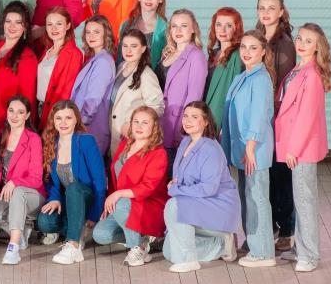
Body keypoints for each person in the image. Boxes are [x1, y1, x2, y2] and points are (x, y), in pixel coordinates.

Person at [275, 23, 331, 272]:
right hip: (292, 143)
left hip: (301, 148)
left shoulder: (312, 75)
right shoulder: (298, 69)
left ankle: (309, 256)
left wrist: (294, 149)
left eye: (309, 41)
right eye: (300, 38)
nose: (301, 44)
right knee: (300, 199)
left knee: (304, 199)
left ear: (318, 47)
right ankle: (301, 249)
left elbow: (307, 117)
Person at [163, 101, 240, 273]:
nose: (187, 120)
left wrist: (176, 189)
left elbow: (208, 189)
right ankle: (222, 245)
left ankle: (188, 260)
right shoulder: (185, 142)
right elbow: (179, 178)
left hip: (218, 205)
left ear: (205, 122)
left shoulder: (211, 149)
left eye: (194, 117)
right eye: (185, 116)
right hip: (196, 202)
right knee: (169, 250)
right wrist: (175, 184)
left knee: (174, 205)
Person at [222, 30, 276, 268]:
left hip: (254, 150)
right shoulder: (242, 77)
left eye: (253, 48)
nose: (247, 52)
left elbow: (258, 116)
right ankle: (253, 244)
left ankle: (263, 253)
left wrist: (251, 147)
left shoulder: (261, 79)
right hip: (243, 149)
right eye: (243, 47)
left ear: (263, 52)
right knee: (248, 197)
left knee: (257, 199)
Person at [93, 106, 168, 267]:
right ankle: (144, 237)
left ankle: (137, 248)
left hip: (149, 204)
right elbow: (115, 178)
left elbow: (148, 187)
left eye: (145, 122)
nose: (139, 126)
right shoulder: (125, 144)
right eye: (136, 122)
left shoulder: (158, 153)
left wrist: (117, 195)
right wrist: (110, 201)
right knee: (100, 235)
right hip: (123, 203)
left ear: (154, 126)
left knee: (121, 205)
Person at [37, 101, 106, 264]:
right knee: (45, 221)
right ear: (53, 121)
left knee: (74, 188)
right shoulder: (51, 143)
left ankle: (73, 246)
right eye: (58, 118)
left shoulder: (86, 141)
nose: (63, 122)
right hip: (66, 201)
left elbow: (100, 181)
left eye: (68, 118)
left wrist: (94, 214)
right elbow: (49, 180)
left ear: (76, 120)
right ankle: (78, 230)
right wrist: (54, 198)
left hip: (86, 198)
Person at [256, 0, 296, 251]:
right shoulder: (257, 38)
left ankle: (288, 229)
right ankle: (268, 227)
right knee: (266, 176)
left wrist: (268, 114)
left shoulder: (285, 43)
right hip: (261, 116)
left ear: (281, 12)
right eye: (262, 8)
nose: (266, 12)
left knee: (281, 176)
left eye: (272, 8)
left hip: (276, 118)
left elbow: (282, 86)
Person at [0, 96, 46, 265]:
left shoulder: (33, 139)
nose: (15, 116)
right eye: (11, 111)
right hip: (6, 196)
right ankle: (22, 232)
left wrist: (14, 182)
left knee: (18, 192)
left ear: (27, 115)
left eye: (20, 112)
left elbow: (36, 179)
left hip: (32, 195)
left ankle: (13, 248)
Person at [158, 9, 208, 167]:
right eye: (174, 26)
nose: (178, 30)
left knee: (173, 173)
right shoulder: (167, 54)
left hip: (177, 126)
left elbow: (194, 97)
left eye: (184, 26)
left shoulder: (196, 56)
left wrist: (182, 130)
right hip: (160, 124)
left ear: (193, 29)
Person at [110, 29, 165, 157]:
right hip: (112, 133)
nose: (128, 50)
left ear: (143, 48)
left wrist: (132, 122)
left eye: (134, 46)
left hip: (130, 137)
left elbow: (158, 107)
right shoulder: (121, 67)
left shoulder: (147, 75)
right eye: (125, 46)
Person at [0, 1, 38, 131]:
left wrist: (21, 128)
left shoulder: (28, 56)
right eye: (8, 21)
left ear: (25, 27)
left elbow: (27, 97)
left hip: (6, 119)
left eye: (18, 22)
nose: (12, 26)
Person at [71, 15, 116, 156]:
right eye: (88, 32)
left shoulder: (103, 62)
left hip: (90, 128)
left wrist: (78, 126)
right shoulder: (95, 58)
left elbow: (93, 100)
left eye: (96, 32)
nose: (91, 36)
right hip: (85, 126)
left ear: (106, 34)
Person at [37, 7, 84, 129]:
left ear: (68, 26)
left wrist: (56, 116)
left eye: (59, 24)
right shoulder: (47, 50)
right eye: (50, 24)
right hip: (38, 107)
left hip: (54, 110)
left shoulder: (74, 54)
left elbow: (67, 91)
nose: (54, 28)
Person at [204, 7, 244, 128]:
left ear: (236, 29)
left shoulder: (237, 55)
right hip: (206, 112)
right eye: (219, 24)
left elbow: (236, 93)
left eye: (228, 25)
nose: (222, 29)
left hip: (221, 116)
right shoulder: (214, 53)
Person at [118, 0, 167, 68]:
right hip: (127, 74)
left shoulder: (166, 29)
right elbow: (120, 57)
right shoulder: (127, 25)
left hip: (153, 75)